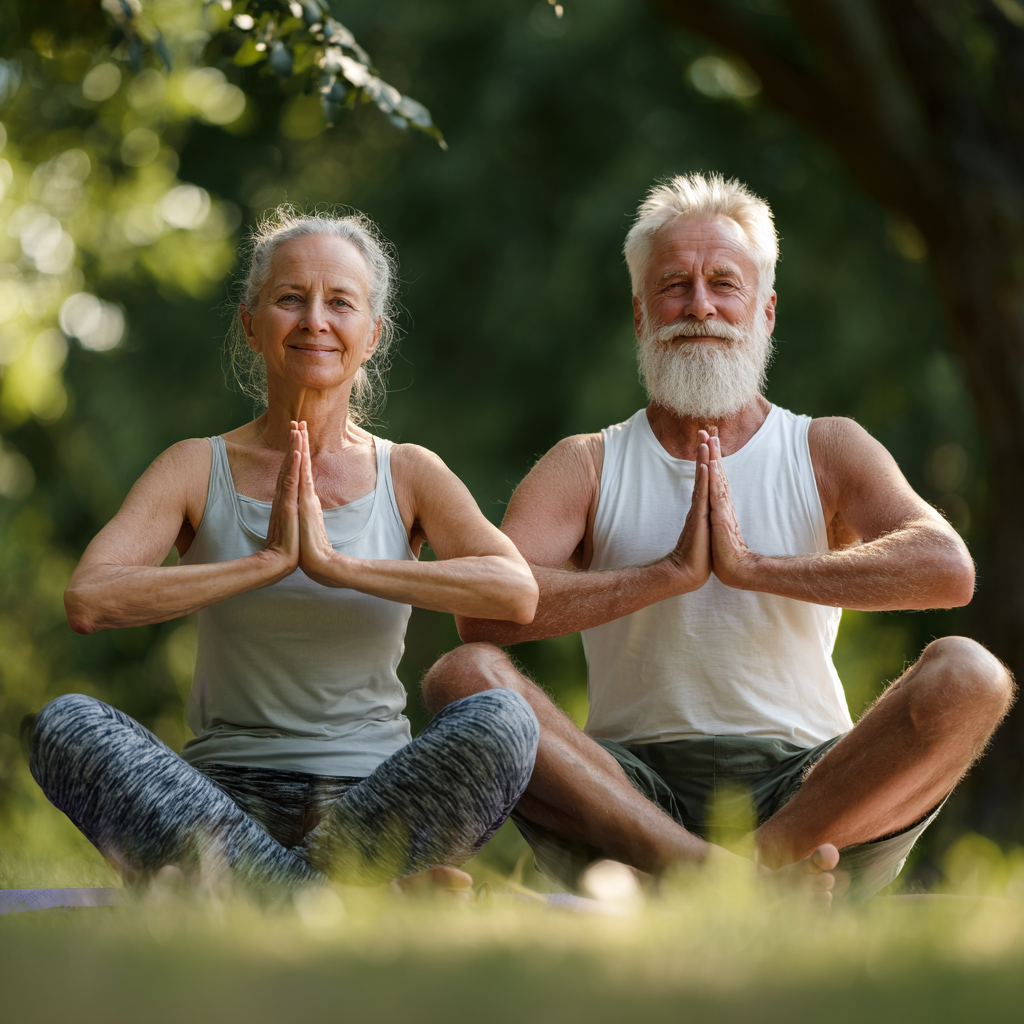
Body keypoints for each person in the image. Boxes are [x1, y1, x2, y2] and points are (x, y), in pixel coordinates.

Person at [421, 174, 1016, 903]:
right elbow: (483, 611)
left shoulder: (826, 446)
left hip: (814, 795)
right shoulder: (586, 461)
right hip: (625, 798)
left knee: (973, 676)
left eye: (723, 284)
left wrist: (753, 567)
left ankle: (746, 871)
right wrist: (666, 574)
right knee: (464, 675)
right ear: (641, 316)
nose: (699, 306)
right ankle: (719, 879)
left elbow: (946, 570)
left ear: (764, 312)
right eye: (674, 285)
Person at [29, 207, 541, 897]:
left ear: (372, 335)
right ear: (250, 323)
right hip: (216, 801)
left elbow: (516, 592)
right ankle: (349, 895)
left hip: (376, 798)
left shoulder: (410, 472)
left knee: (506, 720)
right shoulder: (193, 467)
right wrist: (260, 564)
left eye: (340, 303)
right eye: (290, 299)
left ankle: (249, 890)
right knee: (65, 725)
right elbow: (89, 600)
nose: (314, 321)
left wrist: (342, 566)